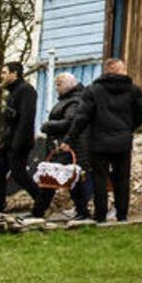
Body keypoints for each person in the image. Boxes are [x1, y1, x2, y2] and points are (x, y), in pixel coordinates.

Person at [65, 58, 142, 223]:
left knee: (99, 179)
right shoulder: (134, 90)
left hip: (98, 141)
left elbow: (82, 117)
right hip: (122, 141)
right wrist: (128, 128)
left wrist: (69, 138)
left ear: (106, 71)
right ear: (121, 71)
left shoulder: (93, 90)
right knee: (122, 179)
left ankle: (100, 215)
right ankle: (122, 215)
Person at [30, 73, 92, 220]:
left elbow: (70, 122)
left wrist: (47, 126)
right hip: (65, 145)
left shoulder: (74, 101)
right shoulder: (70, 100)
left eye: (59, 84)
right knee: (69, 180)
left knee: (51, 178)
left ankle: (38, 212)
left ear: (68, 84)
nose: (56, 88)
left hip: (68, 146)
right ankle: (82, 211)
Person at [0, 61, 40, 213]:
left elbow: (26, 119)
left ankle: (41, 200)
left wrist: (18, 143)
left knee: (19, 174)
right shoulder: (13, 91)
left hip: (18, 142)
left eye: (4, 72)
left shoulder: (26, 90)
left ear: (14, 73)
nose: (2, 76)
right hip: (8, 141)